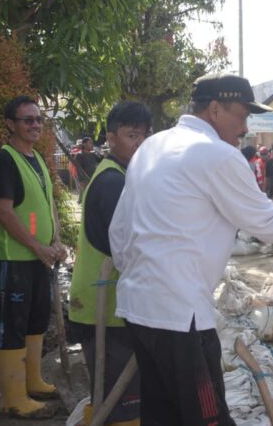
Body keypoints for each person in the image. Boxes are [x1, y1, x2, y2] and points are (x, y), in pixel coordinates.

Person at [109, 73, 273, 426]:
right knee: (207, 418)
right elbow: (268, 226)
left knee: (161, 414)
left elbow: (119, 231)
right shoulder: (216, 154)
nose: (245, 127)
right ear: (215, 108)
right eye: (241, 114)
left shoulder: (153, 145)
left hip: (137, 307)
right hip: (180, 315)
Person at [68, 101, 152, 426]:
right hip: (104, 311)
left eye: (144, 136)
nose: (139, 143)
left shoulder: (118, 175)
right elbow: (129, 250)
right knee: (124, 404)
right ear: (111, 137)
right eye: (132, 135)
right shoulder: (113, 183)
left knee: (112, 397)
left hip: (106, 308)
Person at [0, 95, 66, 418]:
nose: (35, 125)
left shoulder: (35, 158)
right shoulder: (5, 160)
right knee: (14, 324)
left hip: (39, 258)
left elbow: (44, 208)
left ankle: (32, 382)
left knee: (35, 320)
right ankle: (13, 398)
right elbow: (4, 212)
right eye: (27, 120)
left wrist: (56, 242)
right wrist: (37, 246)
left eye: (39, 120)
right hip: (16, 259)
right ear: (10, 124)